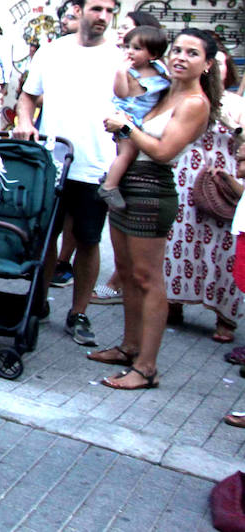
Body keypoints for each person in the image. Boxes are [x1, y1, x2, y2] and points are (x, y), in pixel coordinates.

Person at [88, 29, 217, 389]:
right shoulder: (161, 90)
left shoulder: (194, 102)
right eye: (177, 49)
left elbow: (163, 152)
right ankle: (129, 347)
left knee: (147, 278)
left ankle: (146, 367)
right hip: (127, 182)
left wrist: (125, 126)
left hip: (151, 187)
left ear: (206, 65)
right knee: (127, 273)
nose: (180, 57)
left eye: (192, 53)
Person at [14, 0, 123, 347]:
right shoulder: (51, 52)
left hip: (95, 166)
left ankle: (78, 312)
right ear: (78, 10)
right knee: (45, 240)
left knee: (89, 241)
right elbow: (27, 97)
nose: (103, 18)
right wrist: (25, 122)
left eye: (109, 11)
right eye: (96, 9)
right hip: (52, 163)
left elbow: (138, 105)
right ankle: (37, 302)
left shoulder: (118, 58)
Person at [164, 46, 244, 344]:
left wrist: (230, 123)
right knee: (180, 242)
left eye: (222, 64)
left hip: (223, 183)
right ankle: (172, 304)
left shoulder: (235, 103)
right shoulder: (183, 98)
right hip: (184, 179)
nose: (216, 70)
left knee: (224, 251)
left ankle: (225, 318)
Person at [98, 25, 170, 212]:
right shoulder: (128, 72)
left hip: (143, 123)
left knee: (134, 156)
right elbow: (120, 94)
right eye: (128, 46)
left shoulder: (159, 71)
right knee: (127, 154)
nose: (130, 51)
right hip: (128, 120)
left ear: (152, 55)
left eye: (137, 48)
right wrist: (121, 73)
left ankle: (112, 178)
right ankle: (109, 186)